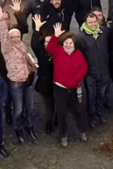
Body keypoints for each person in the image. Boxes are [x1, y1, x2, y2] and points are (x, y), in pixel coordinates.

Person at [34, 16, 88, 148]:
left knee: (77, 110)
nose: (68, 45)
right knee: (61, 112)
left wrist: (77, 79)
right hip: (60, 88)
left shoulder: (78, 54)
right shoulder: (57, 51)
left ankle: (82, 131)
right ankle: (63, 135)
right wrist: (55, 36)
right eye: (66, 43)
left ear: (74, 44)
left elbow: (84, 68)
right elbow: (49, 48)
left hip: (73, 88)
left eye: (70, 43)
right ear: (63, 44)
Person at [0, 1, 37, 144]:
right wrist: (1, 21)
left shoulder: (22, 46)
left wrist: (32, 66)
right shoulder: (7, 49)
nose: (15, 38)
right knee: (18, 109)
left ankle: (30, 127)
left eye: (17, 36)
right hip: (15, 83)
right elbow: (3, 35)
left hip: (27, 81)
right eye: (12, 36)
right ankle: (18, 130)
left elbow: (28, 59)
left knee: (30, 107)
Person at [77, 12, 111, 127]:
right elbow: (80, 56)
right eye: (90, 22)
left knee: (101, 94)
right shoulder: (81, 37)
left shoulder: (104, 32)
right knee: (91, 96)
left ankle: (99, 112)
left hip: (104, 71)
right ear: (86, 23)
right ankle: (91, 115)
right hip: (90, 73)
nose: (92, 24)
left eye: (94, 22)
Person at [31, 24, 57, 135]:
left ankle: (56, 119)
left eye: (50, 41)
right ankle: (49, 124)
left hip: (57, 84)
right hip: (45, 85)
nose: (48, 43)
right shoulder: (41, 53)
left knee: (58, 103)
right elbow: (34, 44)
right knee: (49, 106)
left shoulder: (58, 52)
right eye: (46, 41)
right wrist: (36, 30)